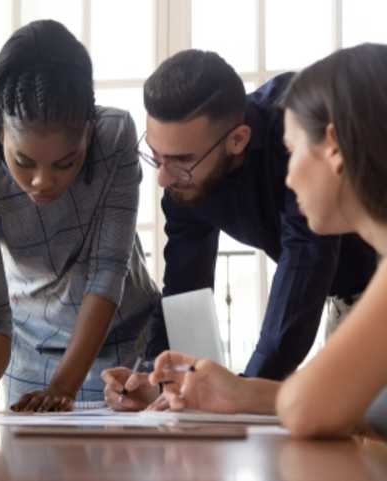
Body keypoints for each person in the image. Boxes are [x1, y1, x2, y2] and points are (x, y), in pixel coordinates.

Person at [103, 43, 387, 439]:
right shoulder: (183, 173)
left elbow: (306, 260)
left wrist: (242, 390)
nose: (163, 179)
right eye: (155, 156)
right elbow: (185, 284)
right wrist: (164, 380)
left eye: (294, 151)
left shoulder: (293, 114)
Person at [0, 20, 165, 413]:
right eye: (23, 162)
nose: (42, 181)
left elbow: (106, 274)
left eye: (66, 163)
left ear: (89, 131)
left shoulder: (114, 137)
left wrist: (63, 386)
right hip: (30, 356)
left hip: (126, 347)